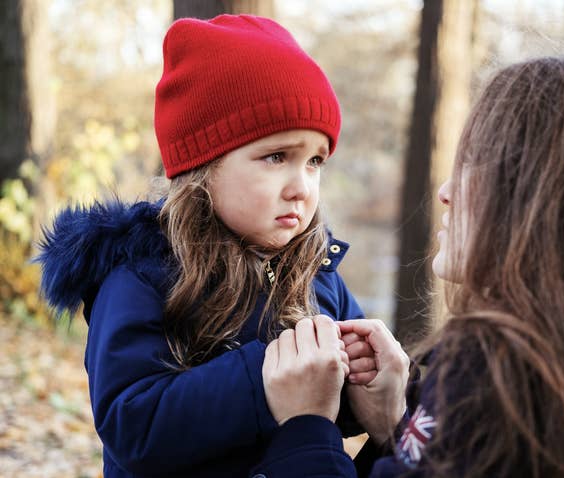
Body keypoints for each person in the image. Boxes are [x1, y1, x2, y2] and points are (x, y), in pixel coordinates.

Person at [250, 53, 564, 477]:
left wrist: (305, 427)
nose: (445, 190)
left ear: (550, 202)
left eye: (477, 163)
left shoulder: (499, 375)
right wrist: (399, 427)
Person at [36, 14, 375, 477]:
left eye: (315, 161)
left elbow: (331, 411)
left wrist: (363, 379)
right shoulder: (143, 275)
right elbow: (132, 425)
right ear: (203, 164)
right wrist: (264, 384)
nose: (302, 187)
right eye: (276, 157)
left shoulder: (318, 274)